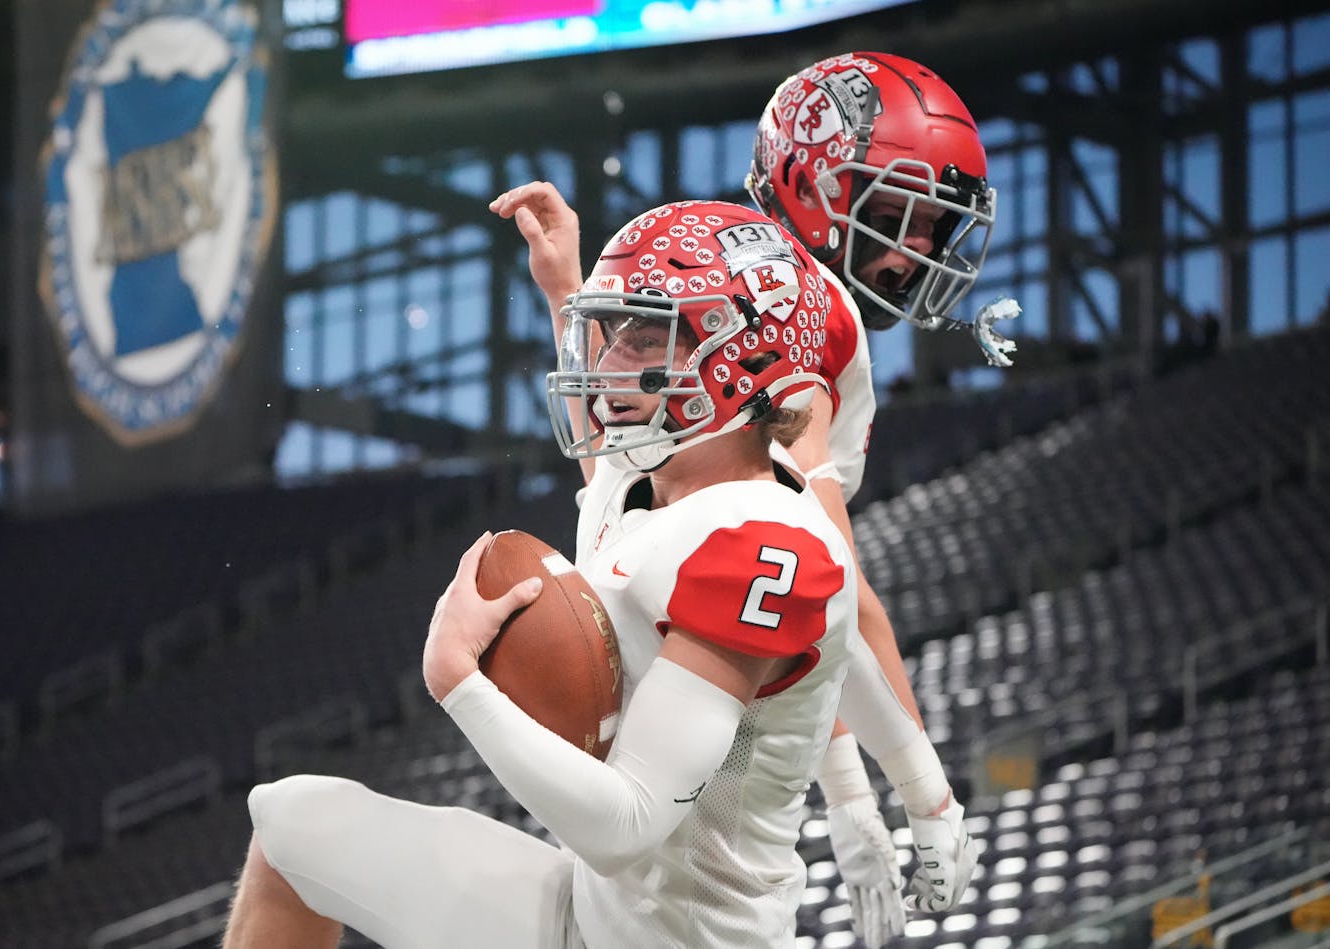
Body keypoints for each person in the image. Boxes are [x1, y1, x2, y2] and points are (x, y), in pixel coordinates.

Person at [220, 201, 973, 948]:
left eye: (644, 336)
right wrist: (563, 290)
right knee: (290, 824)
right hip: (590, 913)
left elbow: (626, 823)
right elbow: (608, 466)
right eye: (608, 333)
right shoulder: (660, 471)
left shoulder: (764, 543)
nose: (607, 363)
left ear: (741, 359)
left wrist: (459, 682)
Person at [489, 51, 998, 947]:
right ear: (808, 183)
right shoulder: (807, 316)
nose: (915, 249)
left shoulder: (717, 258)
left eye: (927, 226)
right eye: (890, 215)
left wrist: (568, 288)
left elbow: (622, 461)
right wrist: (889, 793)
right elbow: (819, 585)